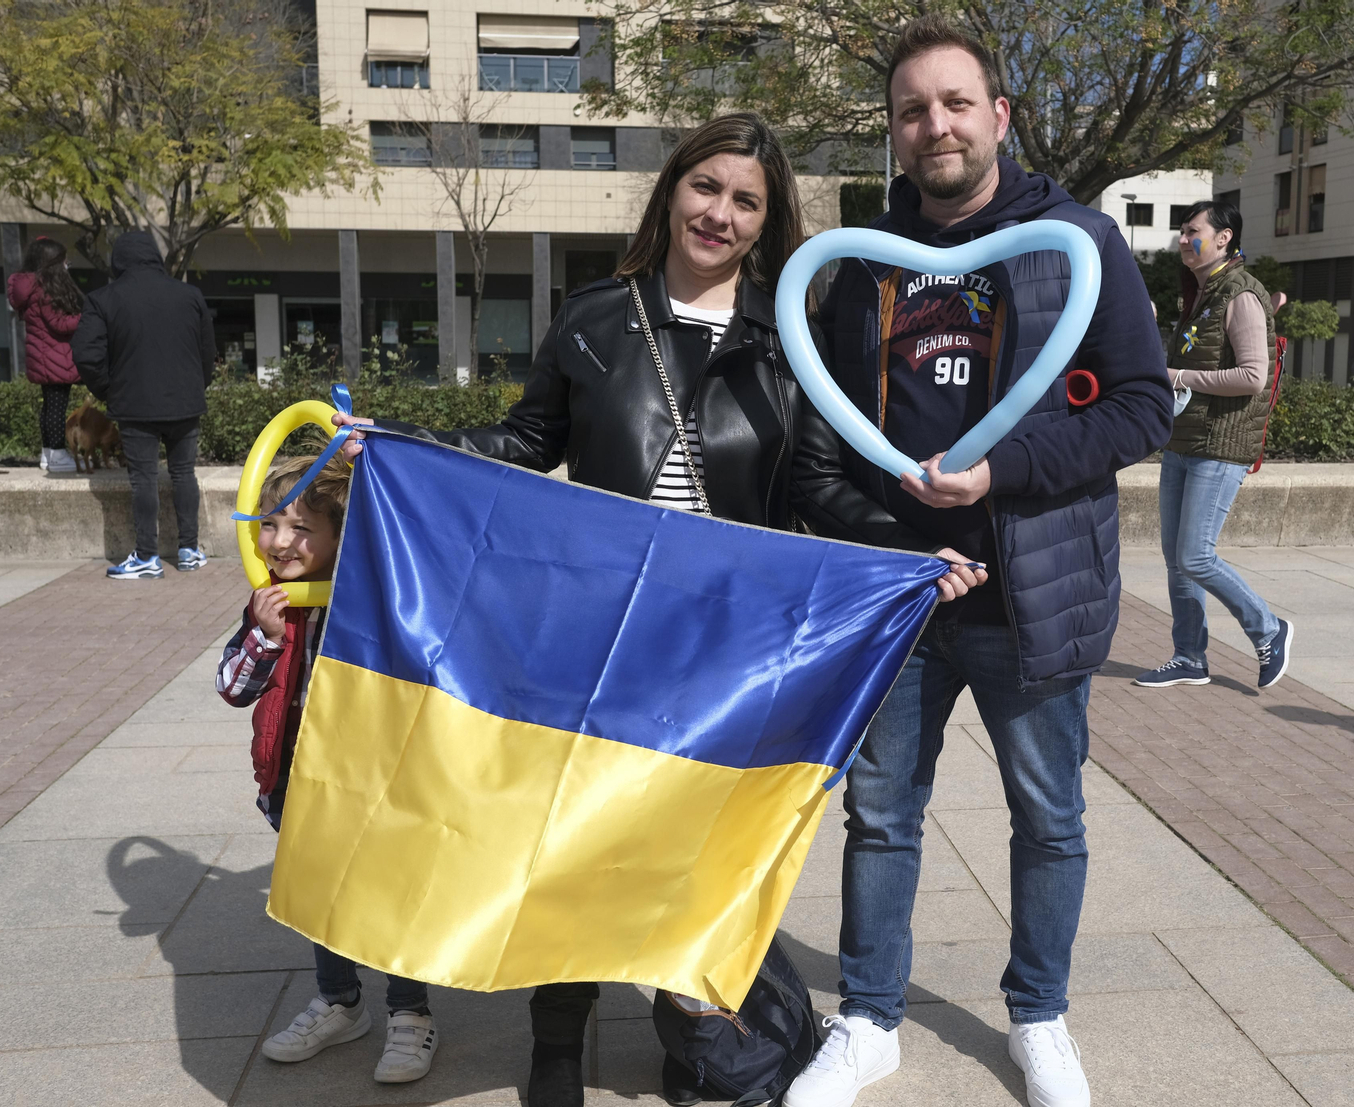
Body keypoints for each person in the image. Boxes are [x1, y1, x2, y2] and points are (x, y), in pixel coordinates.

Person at [333, 112, 985, 1107]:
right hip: (596, 631)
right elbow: (525, 444)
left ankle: (694, 1039)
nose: (719, 214)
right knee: (563, 836)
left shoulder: (786, 340)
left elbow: (814, 484)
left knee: (694, 843)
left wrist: (908, 549)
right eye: (706, 188)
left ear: (766, 224)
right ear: (672, 189)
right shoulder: (596, 317)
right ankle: (557, 1039)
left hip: (725, 641)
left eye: (745, 202)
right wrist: (406, 443)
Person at [786, 16, 1173, 1107]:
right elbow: (832, 438)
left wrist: (995, 476)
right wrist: (893, 538)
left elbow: (1141, 410)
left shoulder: (1077, 241)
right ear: (894, 132)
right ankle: (868, 1019)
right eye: (912, 109)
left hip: (1033, 590)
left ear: (999, 115)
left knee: (1049, 815)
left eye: (955, 103)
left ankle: (1038, 1015)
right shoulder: (859, 265)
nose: (934, 125)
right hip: (902, 598)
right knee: (881, 814)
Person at [216, 455, 439, 1084]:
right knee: (317, 893)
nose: (281, 541)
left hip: (371, 782)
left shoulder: (369, 600)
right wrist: (263, 636)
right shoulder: (270, 606)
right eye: (270, 524)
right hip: (293, 781)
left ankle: (410, 1013)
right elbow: (231, 688)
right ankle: (340, 1002)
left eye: (302, 527)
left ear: (342, 537)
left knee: (388, 892)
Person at [1134, 199, 1293, 691]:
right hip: (1184, 438)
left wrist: (1174, 375)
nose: (1184, 239)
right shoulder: (1203, 293)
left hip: (1220, 443)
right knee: (1174, 555)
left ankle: (1268, 629)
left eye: (1192, 230)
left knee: (1196, 556)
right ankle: (1189, 657)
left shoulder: (1241, 293)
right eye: (1182, 231)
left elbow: (1252, 376)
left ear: (1224, 238)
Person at [71, 230, 215, 579]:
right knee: (184, 474)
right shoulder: (189, 295)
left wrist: (110, 391)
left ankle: (148, 557)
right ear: (154, 255)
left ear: (118, 259)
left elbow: (86, 355)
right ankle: (189, 550)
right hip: (185, 401)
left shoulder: (103, 299)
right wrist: (197, 385)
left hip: (134, 406)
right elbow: (207, 351)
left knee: (143, 479)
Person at [6, 237, 83, 474]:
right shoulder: (44, 289)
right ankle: (58, 454)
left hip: (42, 356)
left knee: (49, 407)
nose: (66, 264)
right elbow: (59, 324)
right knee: (57, 407)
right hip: (56, 357)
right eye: (62, 260)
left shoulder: (29, 287)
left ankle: (49, 453)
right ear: (51, 263)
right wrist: (85, 318)